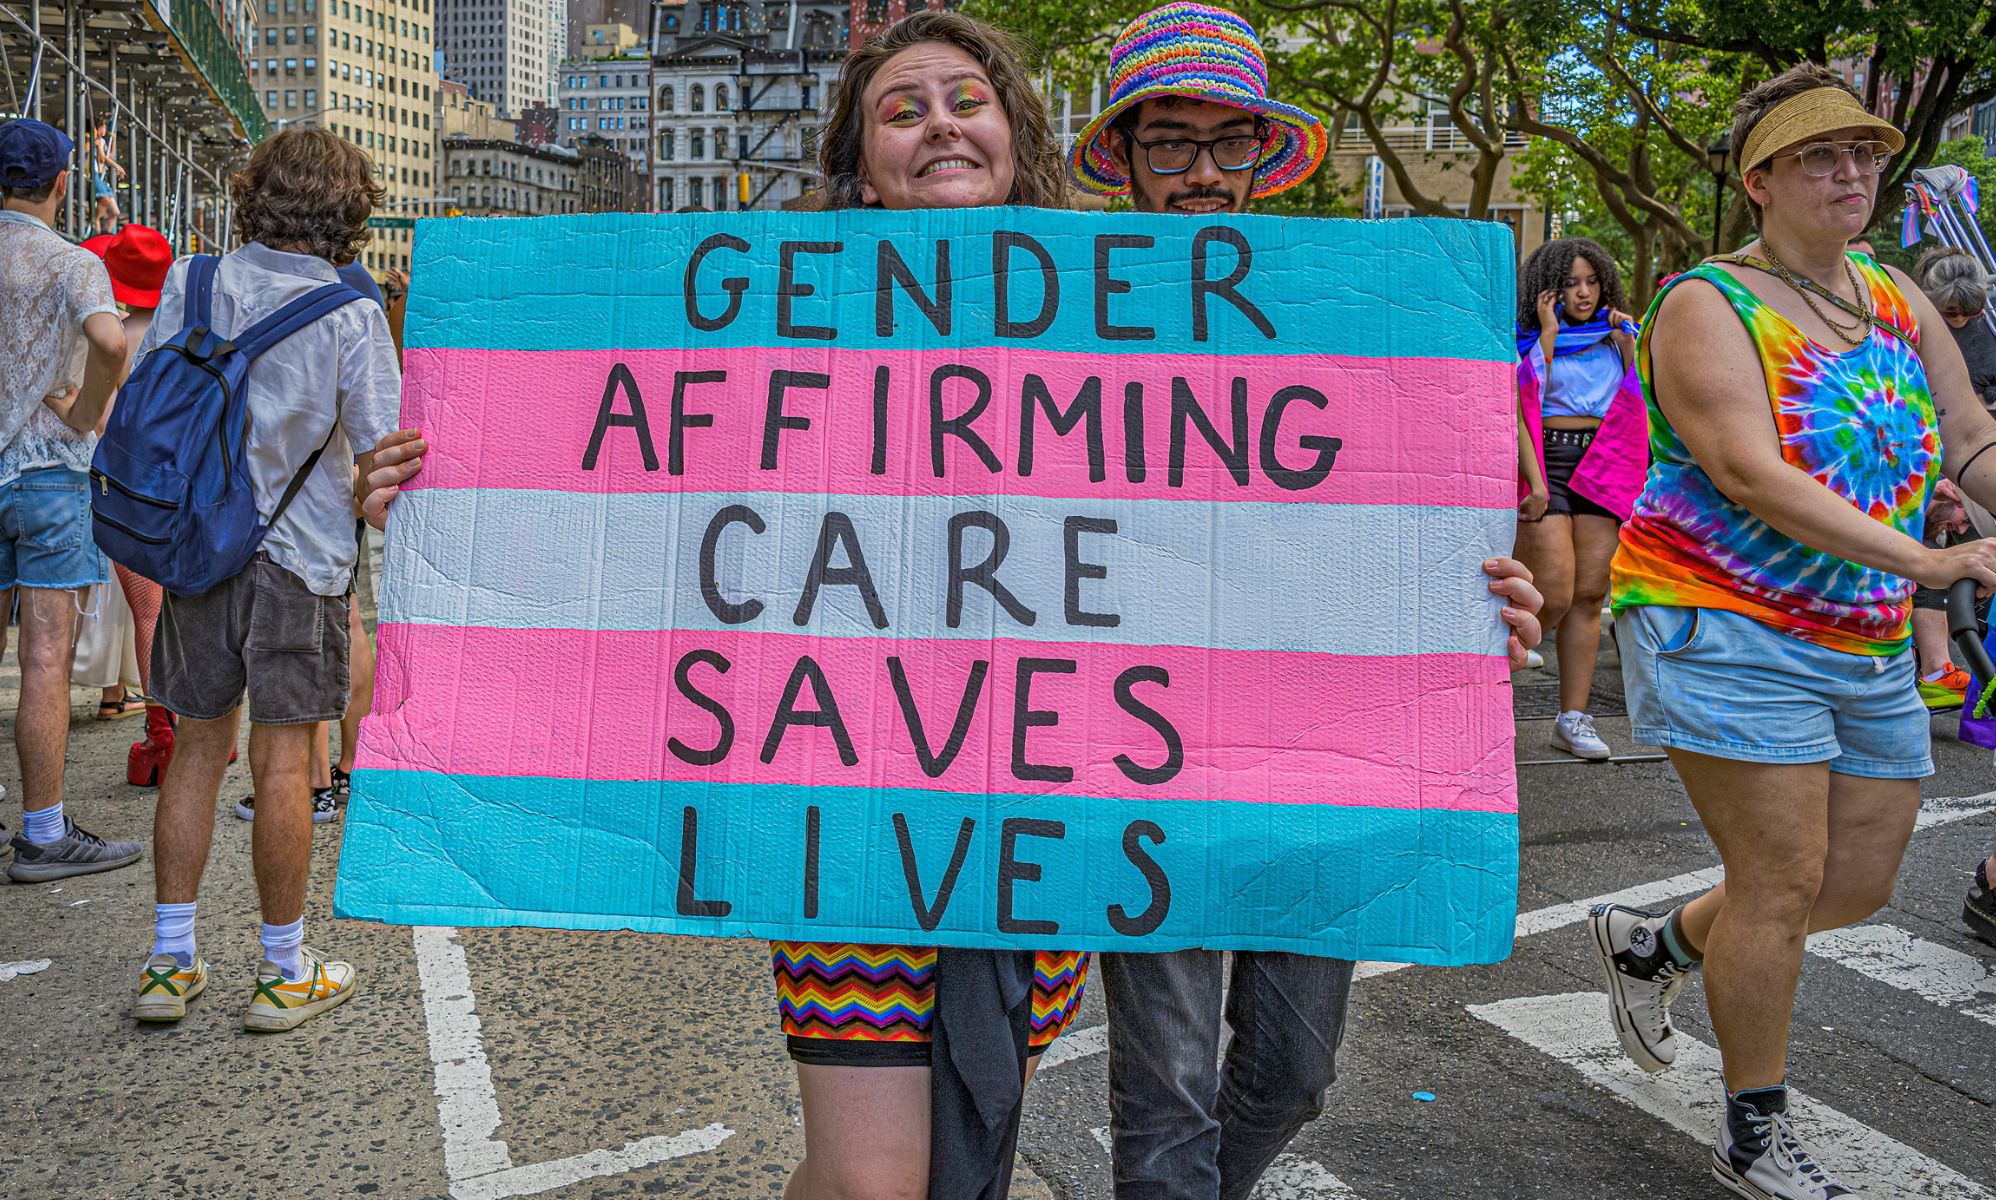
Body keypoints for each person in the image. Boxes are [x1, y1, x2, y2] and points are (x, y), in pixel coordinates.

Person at [372, 16, 1086, 1195]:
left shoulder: (1117, 324)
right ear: (861, 166)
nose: (943, 123)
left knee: (938, 1155)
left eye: (970, 99)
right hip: (841, 817)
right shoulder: (771, 322)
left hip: (1035, 821)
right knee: (875, 1182)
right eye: (902, 110)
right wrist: (448, 489)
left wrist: (1465, 606)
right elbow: (627, 489)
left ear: (1013, 132)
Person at [1066, 7, 1543, 1199]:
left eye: (1228, 142)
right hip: (1136, 753)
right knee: (1166, 1082)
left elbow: (1421, 515)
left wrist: (1480, 609)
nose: (1203, 173)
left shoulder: (1348, 321)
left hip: (1311, 752)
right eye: (1169, 145)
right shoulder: (1060, 322)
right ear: (1122, 159)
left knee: (1290, 1075)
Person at [1589, 64, 1996, 1200]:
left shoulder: (1895, 297)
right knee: (1779, 877)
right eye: (1819, 156)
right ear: (1759, 180)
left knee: (1858, 877)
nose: (1850, 172)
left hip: (1859, 632)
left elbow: (1964, 432)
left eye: (1863, 153)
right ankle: (1754, 1129)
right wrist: (1928, 559)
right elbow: (1743, 468)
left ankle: (1653, 943)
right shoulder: (1706, 302)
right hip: (1721, 621)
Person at [133, 128, 400, 1032]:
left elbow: (149, 407)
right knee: (285, 762)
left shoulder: (191, 283)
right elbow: (380, 475)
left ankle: (170, 963)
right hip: (304, 563)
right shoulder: (352, 315)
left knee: (197, 750)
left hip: (198, 555)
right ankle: (282, 971)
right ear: (349, 212)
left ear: (256, 195)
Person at [0, 118, 143, 882]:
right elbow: (112, 343)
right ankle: (44, 832)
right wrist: (87, 412)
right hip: (50, 471)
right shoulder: (73, 262)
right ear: (63, 183)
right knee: (46, 658)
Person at [1510, 238, 1646, 760]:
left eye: (1591, 281)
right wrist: (1547, 335)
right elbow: (1521, 403)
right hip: (1547, 461)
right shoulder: (1527, 338)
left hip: (1606, 461)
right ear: (1548, 289)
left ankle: (1572, 718)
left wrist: (1628, 341)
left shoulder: (1616, 338)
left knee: (1590, 596)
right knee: (1554, 593)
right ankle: (1486, 677)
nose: (1583, 292)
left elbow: (1640, 396)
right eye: (1570, 282)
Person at [81, 223, 181, 779]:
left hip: (129, 492)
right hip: (184, 489)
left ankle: (161, 735)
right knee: (185, 609)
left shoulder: (113, 339)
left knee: (148, 613)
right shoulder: (184, 335)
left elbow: (97, 421)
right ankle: (198, 725)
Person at [89, 115, 124, 237]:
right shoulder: (91, 140)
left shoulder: (101, 141)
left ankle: (107, 235)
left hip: (100, 176)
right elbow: (102, 159)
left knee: (115, 211)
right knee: (104, 202)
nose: (104, 130)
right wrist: (117, 166)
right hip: (93, 174)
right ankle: (96, 225)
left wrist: (113, 141)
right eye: (102, 127)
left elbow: (109, 155)